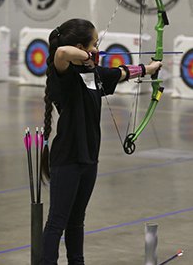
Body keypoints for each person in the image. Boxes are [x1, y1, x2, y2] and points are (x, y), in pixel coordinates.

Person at [41, 18, 162, 265]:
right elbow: (62, 52)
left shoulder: (93, 74)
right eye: (94, 44)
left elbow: (123, 72)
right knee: (57, 221)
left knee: (77, 220)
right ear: (80, 46)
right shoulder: (63, 74)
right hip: (67, 157)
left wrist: (150, 68)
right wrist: (87, 55)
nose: (98, 49)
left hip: (89, 158)